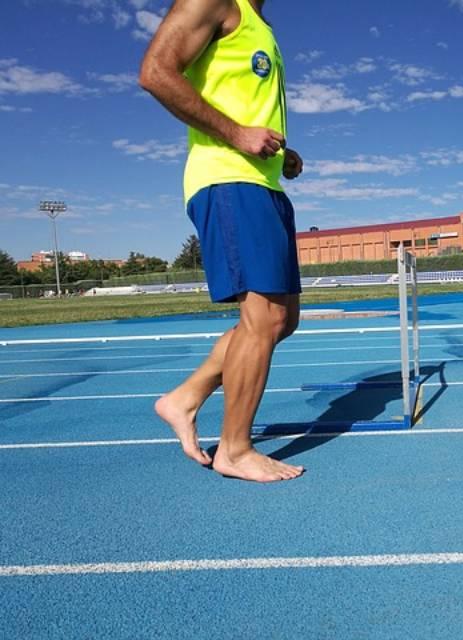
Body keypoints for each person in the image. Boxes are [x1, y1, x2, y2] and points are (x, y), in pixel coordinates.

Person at [140, 0, 305, 482]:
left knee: (282, 321)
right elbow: (155, 72)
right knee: (263, 318)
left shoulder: (260, 23)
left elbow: (242, 103)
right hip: (229, 180)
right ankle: (234, 450)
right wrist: (236, 134)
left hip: (263, 182)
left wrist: (279, 153)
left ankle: (184, 398)